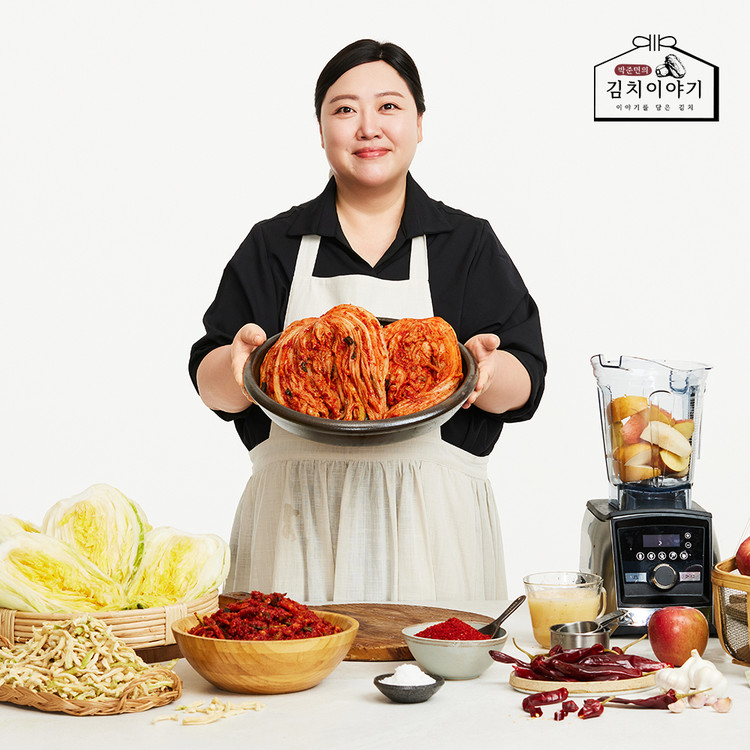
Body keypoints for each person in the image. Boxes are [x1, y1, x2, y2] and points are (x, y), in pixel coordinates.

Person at [189, 39, 546, 603]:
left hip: (433, 531)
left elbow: (526, 384)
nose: (368, 127)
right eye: (344, 109)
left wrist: (485, 370)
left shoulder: (467, 243)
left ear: (419, 123)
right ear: (320, 128)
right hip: (294, 526)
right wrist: (238, 364)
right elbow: (214, 387)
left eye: (388, 106)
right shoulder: (274, 244)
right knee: (287, 658)